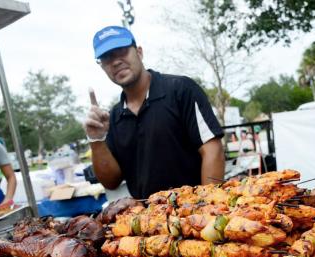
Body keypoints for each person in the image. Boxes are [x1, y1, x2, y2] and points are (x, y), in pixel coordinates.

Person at [84, 26, 225, 199]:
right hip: (146, 220)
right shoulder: (114, 116)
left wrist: (207, 206)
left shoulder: (180, 90)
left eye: (121, 51)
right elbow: (111, 182)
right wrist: (96, 139)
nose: (115, 61)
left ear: (139, 52)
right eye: (107, 58)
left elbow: (212, 149)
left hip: (192, 214)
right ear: (103, 67)